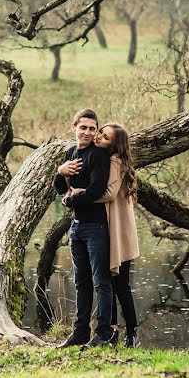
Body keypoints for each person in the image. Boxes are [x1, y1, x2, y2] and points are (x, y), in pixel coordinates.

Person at [54, 108, 114, 348]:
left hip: (97, 227)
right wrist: (59, 171)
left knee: (101, 281)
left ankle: (103, 333)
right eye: (83, 127)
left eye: (92, 128)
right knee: (81, 282)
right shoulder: (70, 152)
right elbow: (60, 188)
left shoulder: (98, 155)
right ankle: (80, 333)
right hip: (76, 228)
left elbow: (97, 190)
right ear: (74, 128)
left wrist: (71, 200)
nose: (88, 132)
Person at [94, 123, 140, 348]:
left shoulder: (115, 161)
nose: (99, 137)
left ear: (115, 144)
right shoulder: (109, 160)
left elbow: (109, 194)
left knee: (120, 285)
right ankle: (114, 331)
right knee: (110, 283)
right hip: (115, 231)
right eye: (100, 132)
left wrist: (81, 195)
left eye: (106, 137)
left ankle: (131, 334)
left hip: (119, 233)